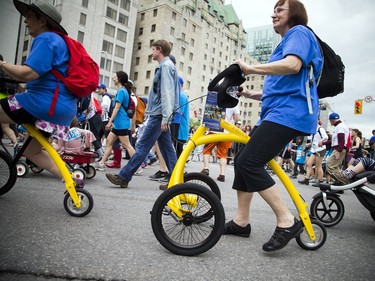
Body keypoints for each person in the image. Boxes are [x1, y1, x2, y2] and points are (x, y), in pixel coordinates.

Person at [223, 0, 323, 252]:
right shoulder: (286, 42)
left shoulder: (299, 33)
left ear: (294, 14)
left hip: (290, 114)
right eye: (274, 10)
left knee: (249, 161)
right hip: (276, 111)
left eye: (280, 10)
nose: (273, 14)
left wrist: (251, 68)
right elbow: (282, 86)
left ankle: (286, 220)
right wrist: (251, 94)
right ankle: (241, 221)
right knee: (243, 159)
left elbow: (293, 66)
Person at [0, 0, 79, 179]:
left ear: (42, 21)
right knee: (31, 151)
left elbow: (28, 73)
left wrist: (2, 64)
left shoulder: (46, 38)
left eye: (29, 16)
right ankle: (72, 180)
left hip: (41, 103)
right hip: (60, 107)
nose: (26, 20)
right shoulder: (60, 42)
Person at [105, 40, 179, 188]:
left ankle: (124, 176)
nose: (151, 52)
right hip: (162, 114)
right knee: (167, 149)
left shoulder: (164, 66)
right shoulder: (169, 66)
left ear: (159, 50)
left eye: (153, 49)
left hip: (159, 114)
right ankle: (177, 182)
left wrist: (165, 117)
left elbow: (166, 93)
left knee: (142, 145)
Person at [94, 71, 135, 170]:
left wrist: (109, 122)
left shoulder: (121, 91)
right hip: (119, 124)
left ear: (119, 79)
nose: (113, 78)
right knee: (109, 142)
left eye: (115, 77)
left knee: (127, 145)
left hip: (121, 123)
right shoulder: (124, 91)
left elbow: (117, 108)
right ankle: (102, 163)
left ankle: (137, 165)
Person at [201, 105, 240, 182]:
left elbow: (209, 115)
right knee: (223, 154)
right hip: (226, 132)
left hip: (214, 129)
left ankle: (206, 168)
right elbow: (237, 119)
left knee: (207, 150)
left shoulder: (216, 99)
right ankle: (222, 174)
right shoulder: (234, 103)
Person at [320, 112, 349, 184]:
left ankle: (342, 181)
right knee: (336, 167)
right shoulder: (339, 126)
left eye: (330, 120)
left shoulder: (340, 126)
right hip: (339, 148)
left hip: (339, 149)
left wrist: (339, 150)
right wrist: (323, 143)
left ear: (332, 120)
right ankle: (339, 184)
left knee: (330, 165)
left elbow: (341, 138)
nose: (330, 122)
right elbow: (334, 141)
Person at [298, 121, 328, 185]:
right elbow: (312, 139)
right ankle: (307, 179)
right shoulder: (313, 130)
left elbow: (326, 137)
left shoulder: (320, 129)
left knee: (318, 166)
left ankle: (320, 181)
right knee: (309, 163)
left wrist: (321, 141)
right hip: (314, 149)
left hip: (320, 149)